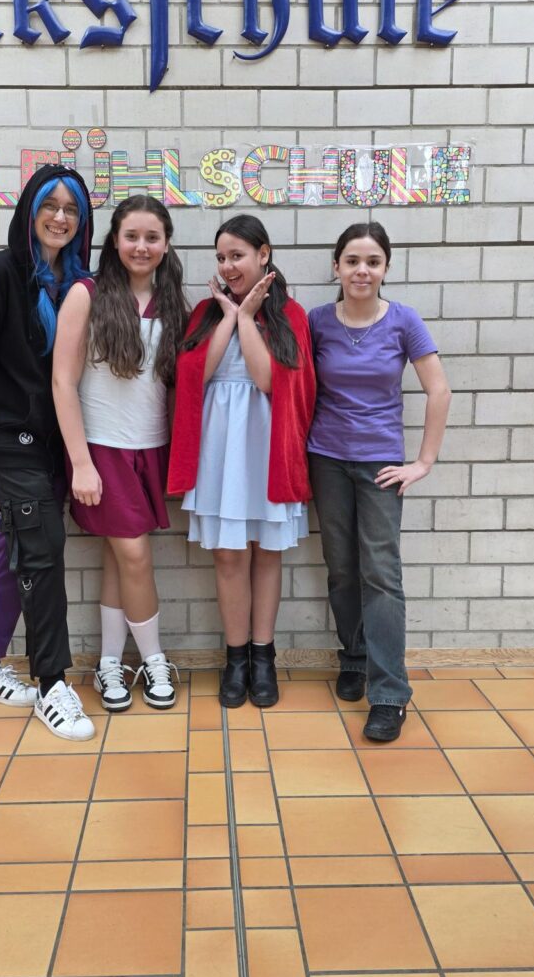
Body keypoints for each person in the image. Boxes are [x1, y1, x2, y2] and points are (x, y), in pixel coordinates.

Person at [0, 163, 96, 741]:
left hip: (53, 440)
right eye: (50, 205)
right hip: (6, 439)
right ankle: (52, 683)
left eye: (71, 209)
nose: (60, 217)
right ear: (30, 211)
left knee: (9, 547)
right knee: (40, 551)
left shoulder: (77, 281)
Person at [308, 221, 451, 742]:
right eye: (352, 261)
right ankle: (355, 658)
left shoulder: (403, 320)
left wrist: (423, 462)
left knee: (382, 576)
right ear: (337, 267)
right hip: (325, 460)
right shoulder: (317, 321)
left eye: (372, 262)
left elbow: (439, 390)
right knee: (342, 570)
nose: (361, 270)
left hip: (381, 467)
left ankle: (389, 694)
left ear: (386, 268)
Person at [168, 215, 316, 709]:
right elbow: (196, 376)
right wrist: (229, 315)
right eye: (221, 258)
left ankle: (263, 657)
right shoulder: (205, 314)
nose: (228, 266)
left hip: (267, 444)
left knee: (267, 553)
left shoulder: (290, 314)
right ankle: (235, 659)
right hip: (219, 447)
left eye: (238, 255)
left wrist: (249, 319)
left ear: (263, 254)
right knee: (229, 555)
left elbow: (270, 381)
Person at [52, 195, 189, 713]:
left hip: (149, 450)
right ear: (114, 240)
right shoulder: (86, 294)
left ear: (166, 244)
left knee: (117, 559)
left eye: (152, 237)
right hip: (101, 451)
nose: (141, 246)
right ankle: (154, 659)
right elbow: (62, 382)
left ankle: (110, 662)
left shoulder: (172, 302)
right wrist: (81, 462)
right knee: (135, 556)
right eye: (132, 236)